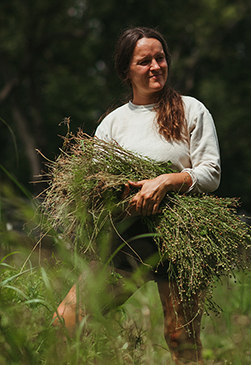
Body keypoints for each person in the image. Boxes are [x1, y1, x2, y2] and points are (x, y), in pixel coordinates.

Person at [52, 26, 221, 364]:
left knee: (180, 339)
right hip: (127, 237)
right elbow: (94, 188)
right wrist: (121, 199)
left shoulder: (191, 109)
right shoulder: (112, 124)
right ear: (126, 70)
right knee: (66, 322)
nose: (156, 66)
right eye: (144, 61)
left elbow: (211, 173)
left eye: (160, 58)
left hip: (181, 238)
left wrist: (166, 181)